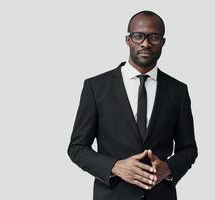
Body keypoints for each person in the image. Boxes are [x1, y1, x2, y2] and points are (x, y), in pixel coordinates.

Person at [67, 10, 198, 200]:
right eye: (138, 36)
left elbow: (189, 149)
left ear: (162, 42)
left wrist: (168, 169)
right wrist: (114, 167)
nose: (145, 43)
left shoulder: (178, 90)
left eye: (154, 37)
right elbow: (77, 148)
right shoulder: (96, 87)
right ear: (128, 40)